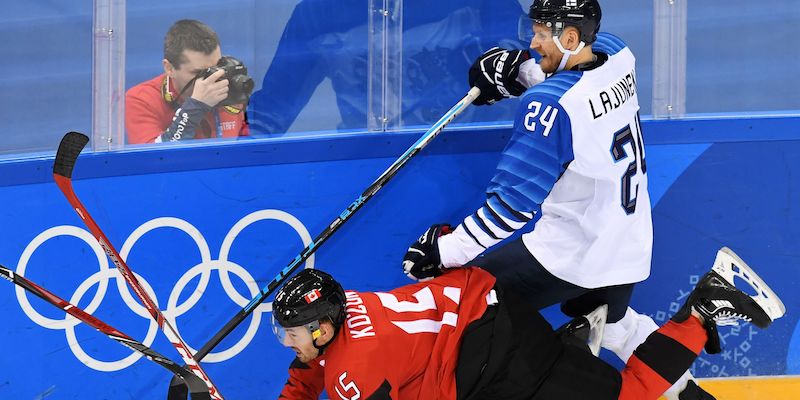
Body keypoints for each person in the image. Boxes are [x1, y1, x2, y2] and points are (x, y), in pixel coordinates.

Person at [401, 1, 706, 398]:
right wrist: (522, 73)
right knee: (617, 326)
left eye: (543, 34)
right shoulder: (617, 55)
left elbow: (509, 208)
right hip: (627, 245)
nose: (533, 42)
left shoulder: (547, 107)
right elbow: (580, 86)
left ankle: (568, 352)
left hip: (573, 255)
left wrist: (445, 253)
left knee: (462, 303)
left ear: (571, 37)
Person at [273, 247, 785, 399]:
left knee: (629, 397)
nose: (289, 343)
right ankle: (572, 348)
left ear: (322, 327)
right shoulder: (346, 310)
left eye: (293, 333)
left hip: (495, 362)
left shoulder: (352, 373)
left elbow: (332, 374)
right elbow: (309, 373)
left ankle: (704, 308)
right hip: (490, 305)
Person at [125, 19, 249, 144]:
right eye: (199, 73)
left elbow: (250, 146)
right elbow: (153, 158)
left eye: (216, 68)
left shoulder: (228, 88)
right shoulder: (141, 99)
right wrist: (196, 107)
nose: (212, 80)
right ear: (170, 68)